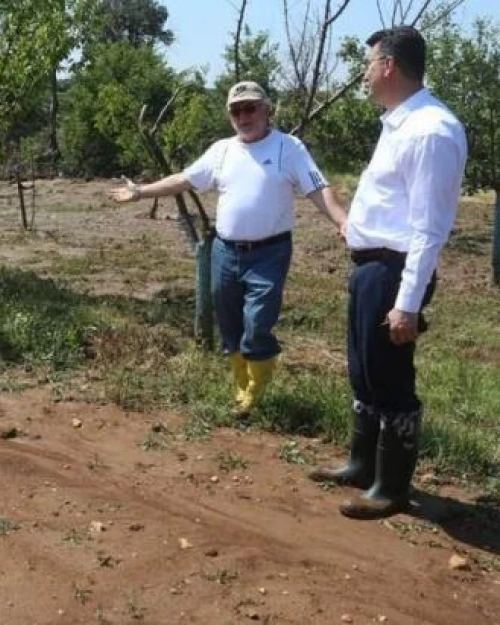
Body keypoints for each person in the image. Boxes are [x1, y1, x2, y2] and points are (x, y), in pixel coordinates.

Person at [108, 81, 347, 417]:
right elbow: (186, 179)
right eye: (236, 110)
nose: (243, 116)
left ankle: (258, 383)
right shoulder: (222, 150)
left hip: (269, 252)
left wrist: (341, 221)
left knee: (258, 320)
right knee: (230, 320)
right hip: (225, 250)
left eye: (250, 108)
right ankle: (240, 381)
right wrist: (142, 192)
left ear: (267, 110)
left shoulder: (287, 147)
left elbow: (317, 188)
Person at [308, 26, 467, 520]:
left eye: (369, 63)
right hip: (370, 266)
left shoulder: (431, 131)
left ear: (389, 66)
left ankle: (392, 487)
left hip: (395, 272)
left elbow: (428, 228)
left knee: (390, 378)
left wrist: (408, 303)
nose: (364, 72)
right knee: (363, 371)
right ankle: (361, 463)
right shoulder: (399, 122)